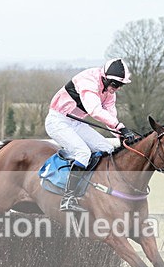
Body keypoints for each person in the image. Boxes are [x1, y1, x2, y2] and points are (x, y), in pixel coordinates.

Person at [44, 58, 136, 212]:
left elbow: (111, 117)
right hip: (58, 120)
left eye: (121, 85)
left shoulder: (109, 91)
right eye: (115, 84)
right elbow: (94, 110)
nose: (117, 88)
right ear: (105, 78)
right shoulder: (89, 80)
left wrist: (121, 136)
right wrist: (120, 127)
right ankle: (68, 197)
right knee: (83, 153)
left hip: (76, 122)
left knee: (107, 149)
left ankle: (94, 190)